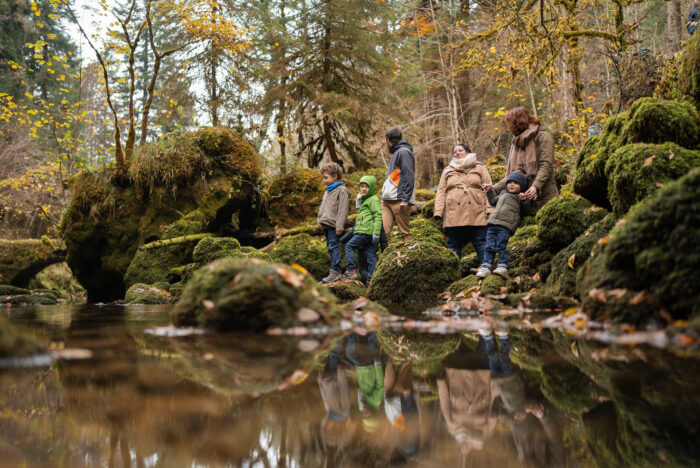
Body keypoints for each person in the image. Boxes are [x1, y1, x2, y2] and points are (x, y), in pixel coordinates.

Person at [493, 107, 559, 215]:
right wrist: (493, 189)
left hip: (544, 197)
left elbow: (546, 165)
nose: (509, 127)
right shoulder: (516, 141)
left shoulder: (543, 136)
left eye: (510, 123)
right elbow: (513, 175)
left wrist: (536, 186)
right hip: (523, 202)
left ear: (519, 122)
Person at [433, 143, 493, 261]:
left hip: (476, 209)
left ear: (467, 151)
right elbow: (441, 191)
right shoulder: (447, 170)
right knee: (454, 244)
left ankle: (485, 268)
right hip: (454, 211)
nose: (457, 153)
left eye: (460, 150)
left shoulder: (479, 167)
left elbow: (489, 188)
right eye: (455, 152)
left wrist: (490, 208)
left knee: (480, 240)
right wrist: (438, 211)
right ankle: (453, 273)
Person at [477, 171, 528, 278]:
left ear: (521, 186)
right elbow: (492, 201)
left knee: (501, 245)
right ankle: (486, 266)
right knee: (489, 245)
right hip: (493, 223)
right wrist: (489, 190)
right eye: (510, 182)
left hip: (506, 226)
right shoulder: (503, 193)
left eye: (515, 183)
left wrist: (524, 201)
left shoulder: (520, 197)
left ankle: (502, 266)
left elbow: (524, 211)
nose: (512, 184)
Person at [343, 176, 382, 283]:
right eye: (362, 186)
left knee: (349, 246)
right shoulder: (365, 200)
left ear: (372, 188)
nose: (364, 189)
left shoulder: (373, 199)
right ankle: (371, 280)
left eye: (367, 187)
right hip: (368, 232)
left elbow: (378, 216)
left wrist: (376, 233)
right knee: (371, 257)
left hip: (365, 231)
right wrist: (359, 202)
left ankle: (351, 270)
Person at [381, 127, 416, 243]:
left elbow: (409, 176)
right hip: (387, 200)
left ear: (388, 140)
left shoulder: (404, 152)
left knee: (405, 234)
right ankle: (390, 260)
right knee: (384, 234)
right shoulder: (397, 152)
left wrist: (405, 199)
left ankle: (410, 260)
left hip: (399, 200)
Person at [317, 162, 350, 284]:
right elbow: (322, 208)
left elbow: (343, 211)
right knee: (330, 248)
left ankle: (336, 272)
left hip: (334, 226)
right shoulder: (327, 191)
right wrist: (319, 222)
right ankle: (334, 271)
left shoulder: (342, 191)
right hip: (325, 225)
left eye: (325, 177)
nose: (323, 180)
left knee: (333, 247)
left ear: (335, 176)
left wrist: (340, 226)